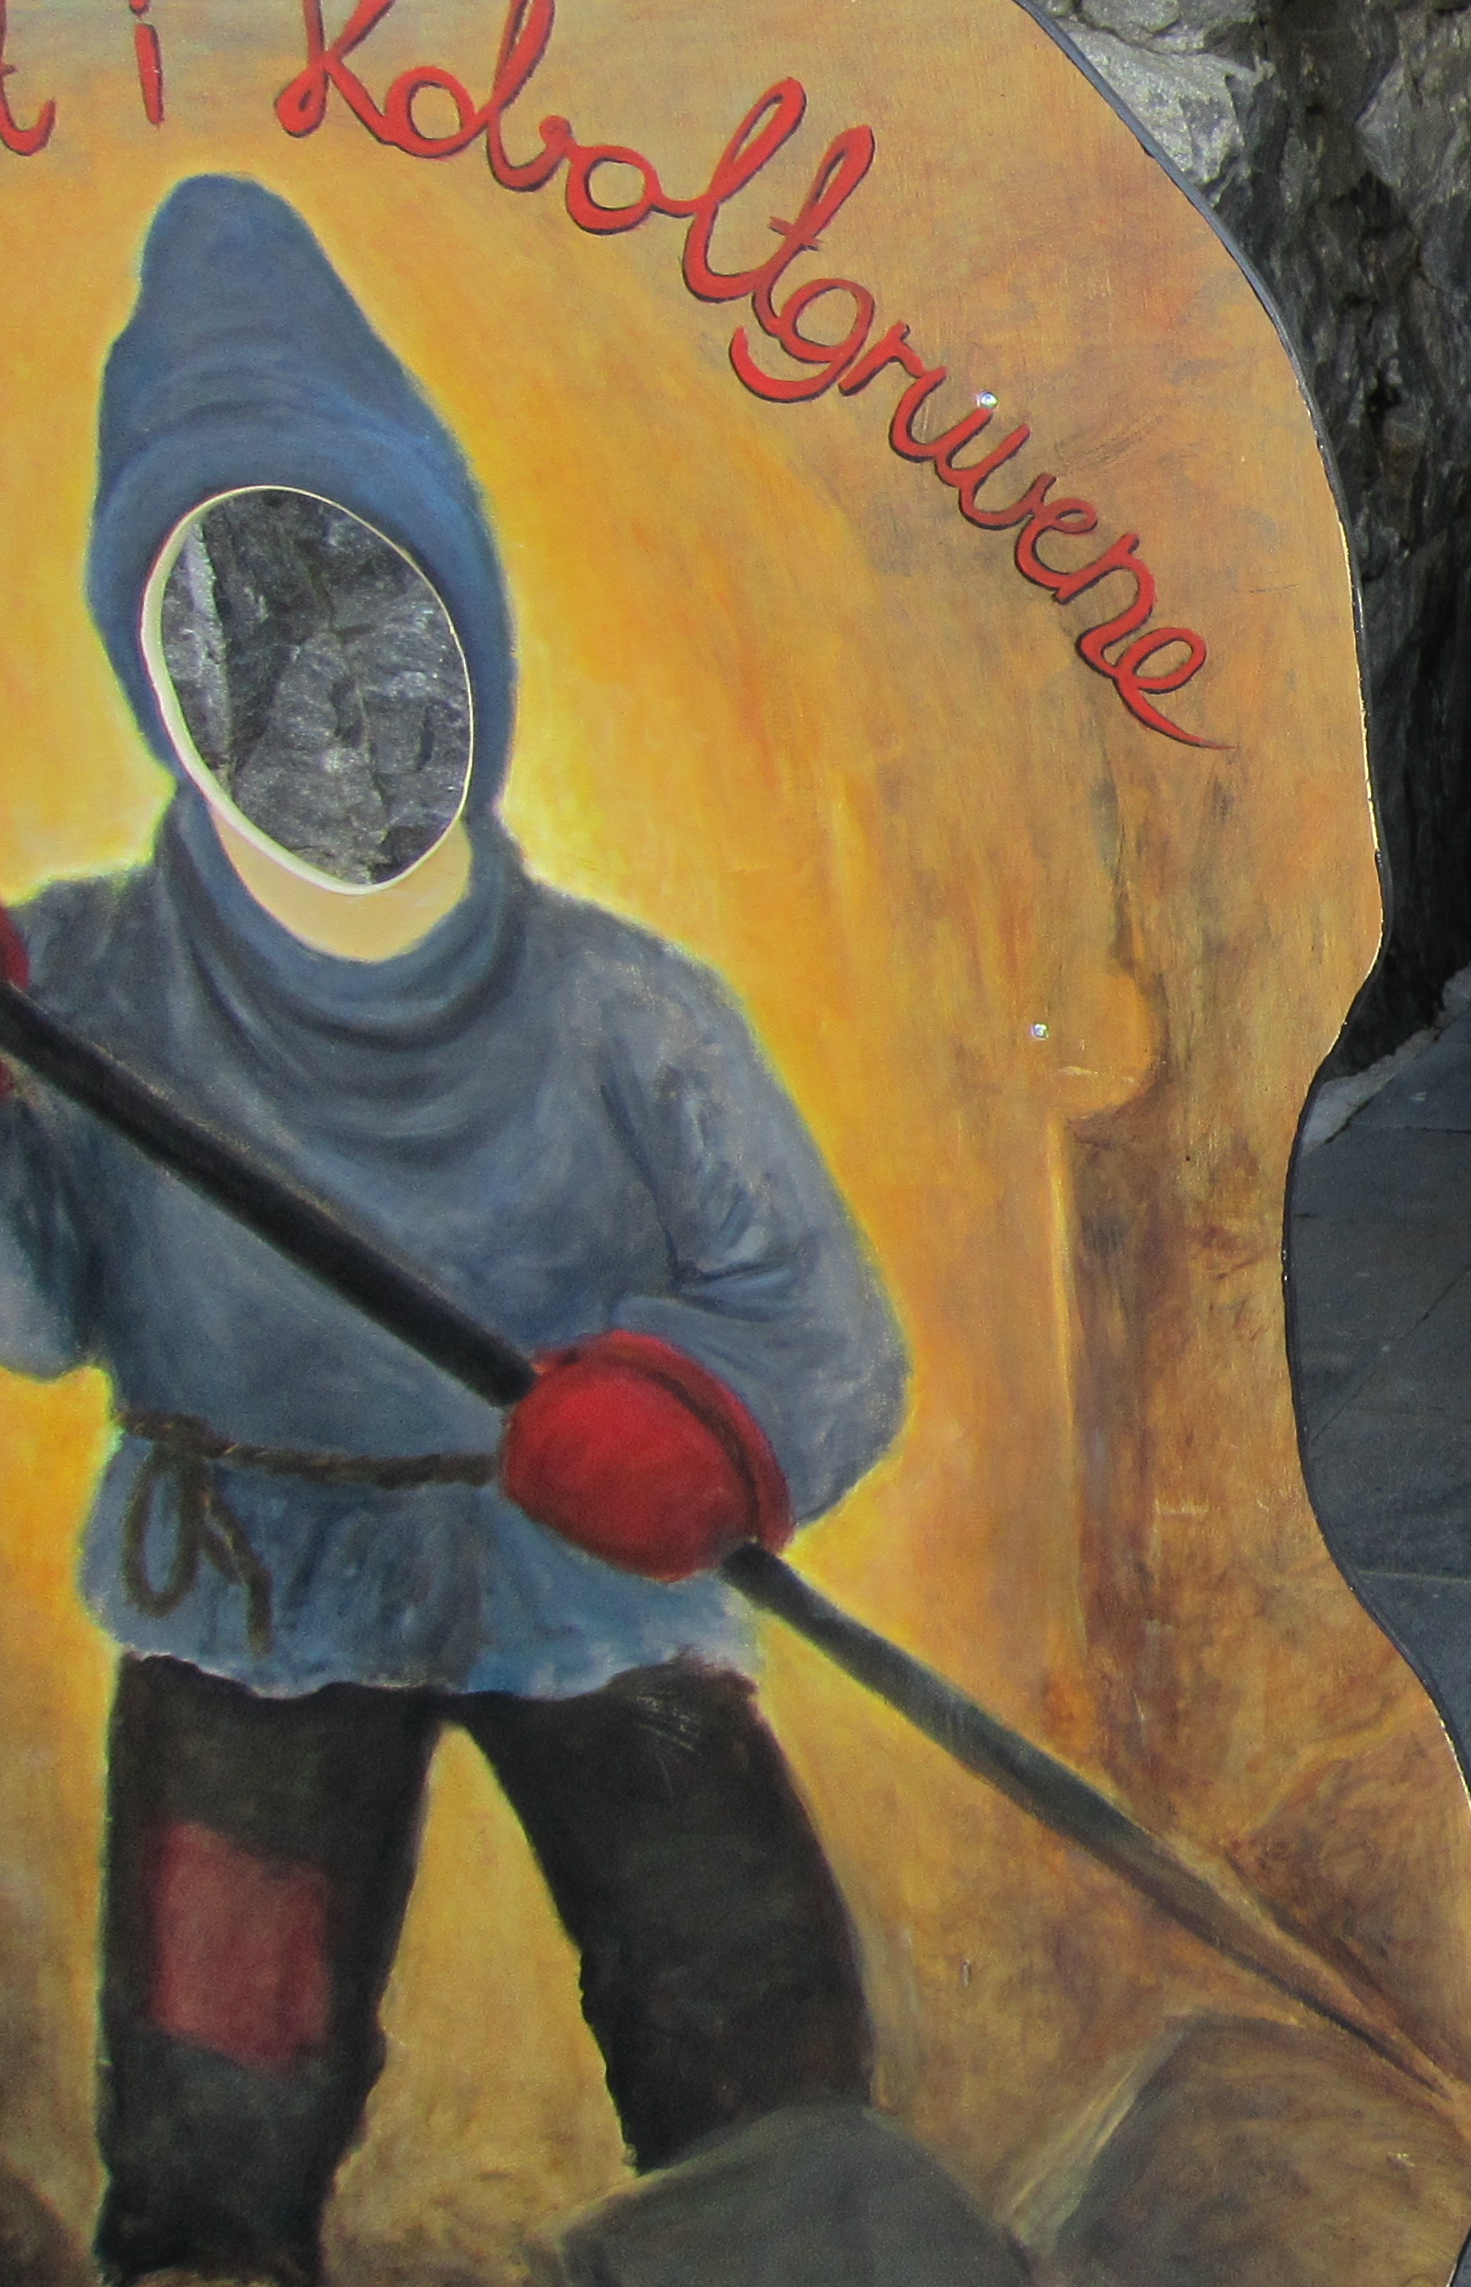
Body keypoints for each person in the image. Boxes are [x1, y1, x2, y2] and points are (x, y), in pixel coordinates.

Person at [0, 176, 908, 2284]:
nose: (328, 704)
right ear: (164, 673)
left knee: (752, 2038)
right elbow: (40, 1312)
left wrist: (709, 1426)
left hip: (586, 1592)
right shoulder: (87, 994)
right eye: (250, 624)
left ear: (465, 634)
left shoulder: (620, 1010)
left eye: (371, 612)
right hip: (253, 1599)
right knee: (217, 2100)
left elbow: (819, 1316)